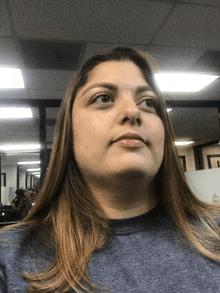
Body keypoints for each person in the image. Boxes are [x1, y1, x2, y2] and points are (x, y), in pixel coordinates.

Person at [0, 47, 220, 293]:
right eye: (103, 98)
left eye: (148, 102)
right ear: (68, 132)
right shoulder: (10, 257)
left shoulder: (216, 233)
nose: (132, 112)